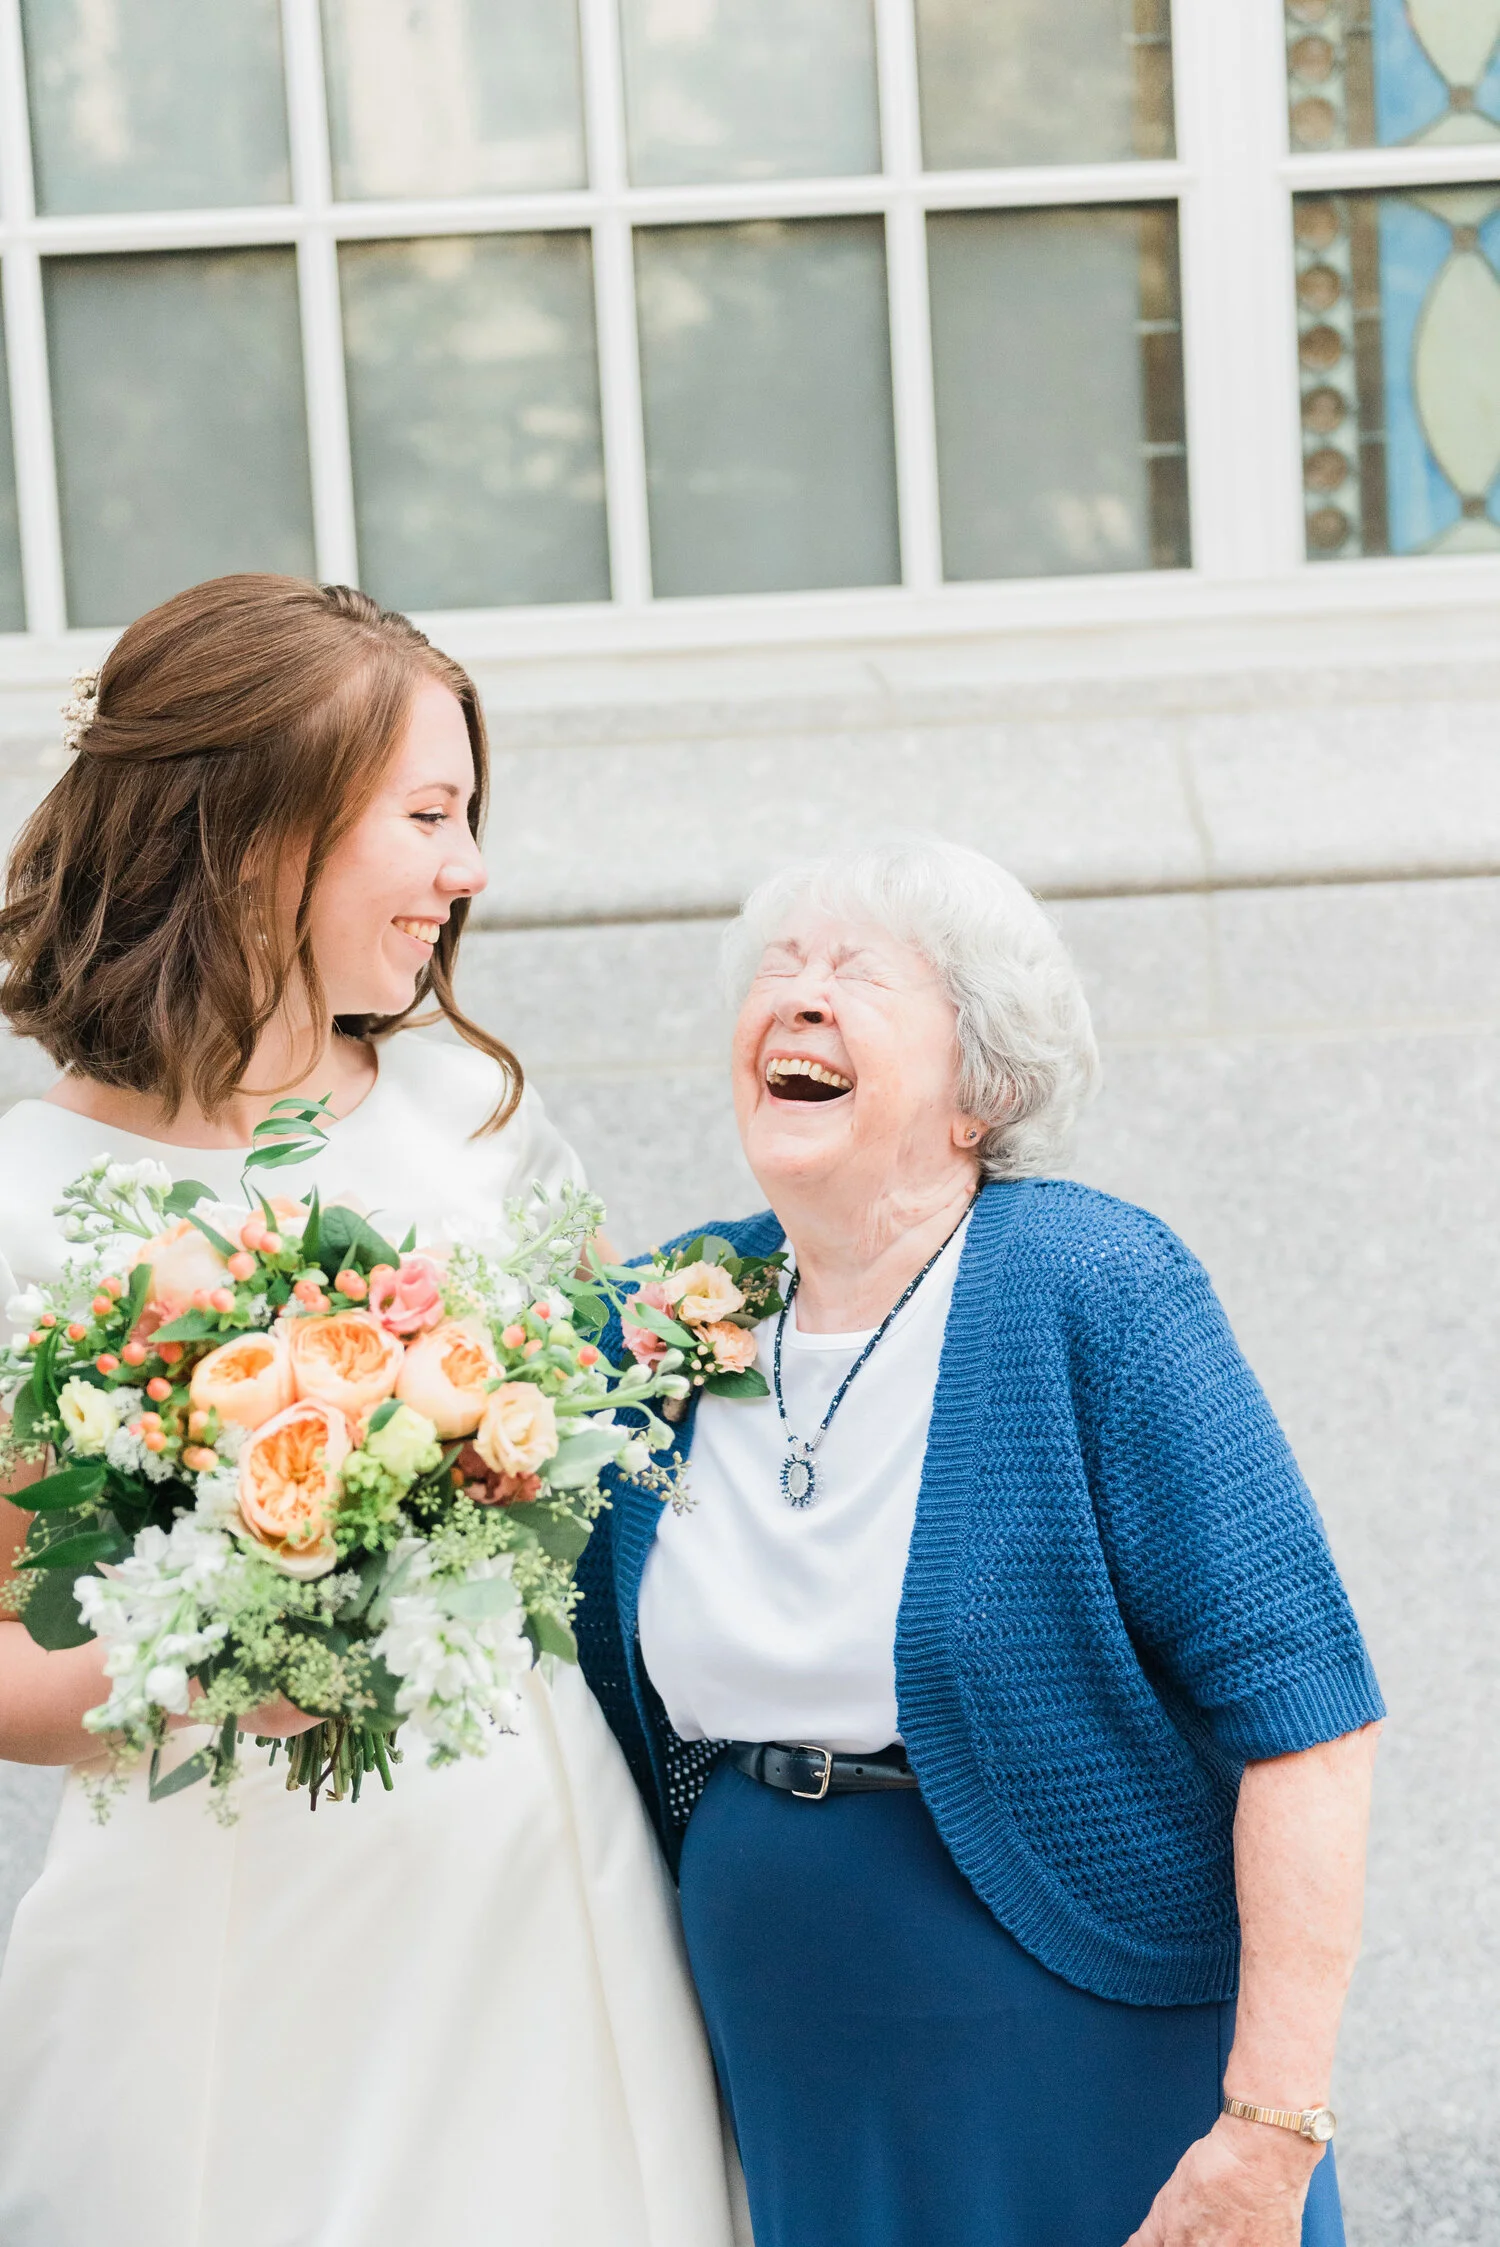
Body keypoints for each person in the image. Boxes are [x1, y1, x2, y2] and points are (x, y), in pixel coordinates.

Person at [0, 576, 739, 2247]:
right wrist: (234, 1641)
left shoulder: (474, 1108)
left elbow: (618, 1453)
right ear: (262, 832)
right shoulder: (27, 1202)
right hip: (236, 1925)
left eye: (469, 813)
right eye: (428, 814)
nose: (468, 869)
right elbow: (10, 1661)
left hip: (546, 1882)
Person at [577, 838, 1386, 2247]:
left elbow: (1308, 1719)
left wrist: (1270, 2123)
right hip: (793, 2047)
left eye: (860, 974)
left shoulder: (1095, 1289)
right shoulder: (651, 1320)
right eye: (783, 965)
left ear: (984, 1088)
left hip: (1086, 2025)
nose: (801, 998)